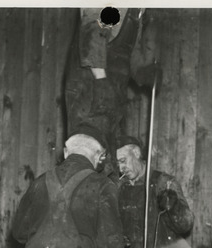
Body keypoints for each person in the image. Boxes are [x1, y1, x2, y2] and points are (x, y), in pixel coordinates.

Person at [64, 8, 160, 167]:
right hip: (90, 89)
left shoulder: (137, 12)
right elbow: (92, 32)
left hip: (113, 92)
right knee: (88, 155)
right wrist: (102, 82)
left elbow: (129, 54)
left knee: (109, 162)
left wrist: (146, 73)